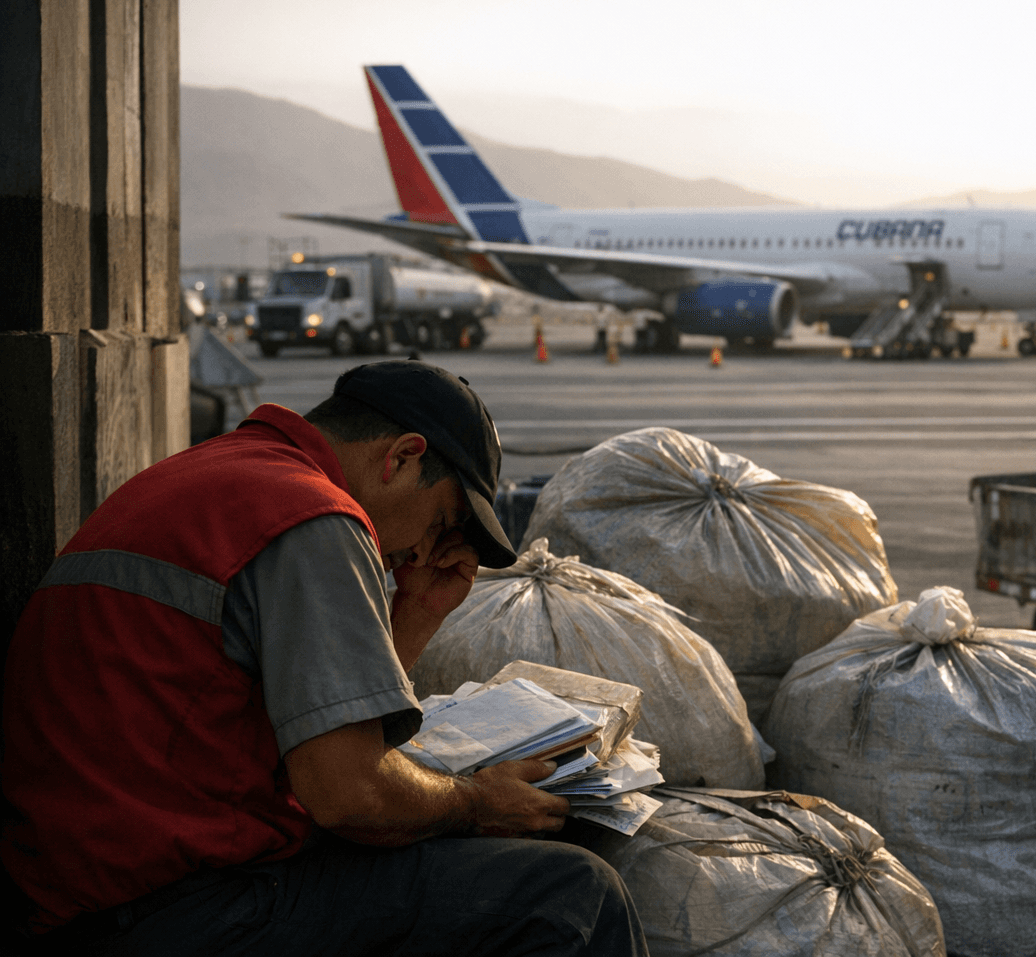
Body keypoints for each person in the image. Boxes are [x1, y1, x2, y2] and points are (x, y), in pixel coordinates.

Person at [2, 360, 648, 956]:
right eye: (442, 521)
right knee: (571, 894)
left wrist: (417, 613)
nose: (428, 552)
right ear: (400, 458)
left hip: (90, 890)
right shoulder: (315, 518)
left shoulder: (224, 478)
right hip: (168, 909)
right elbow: (348, 794)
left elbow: (326, 723)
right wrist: (475, 802)